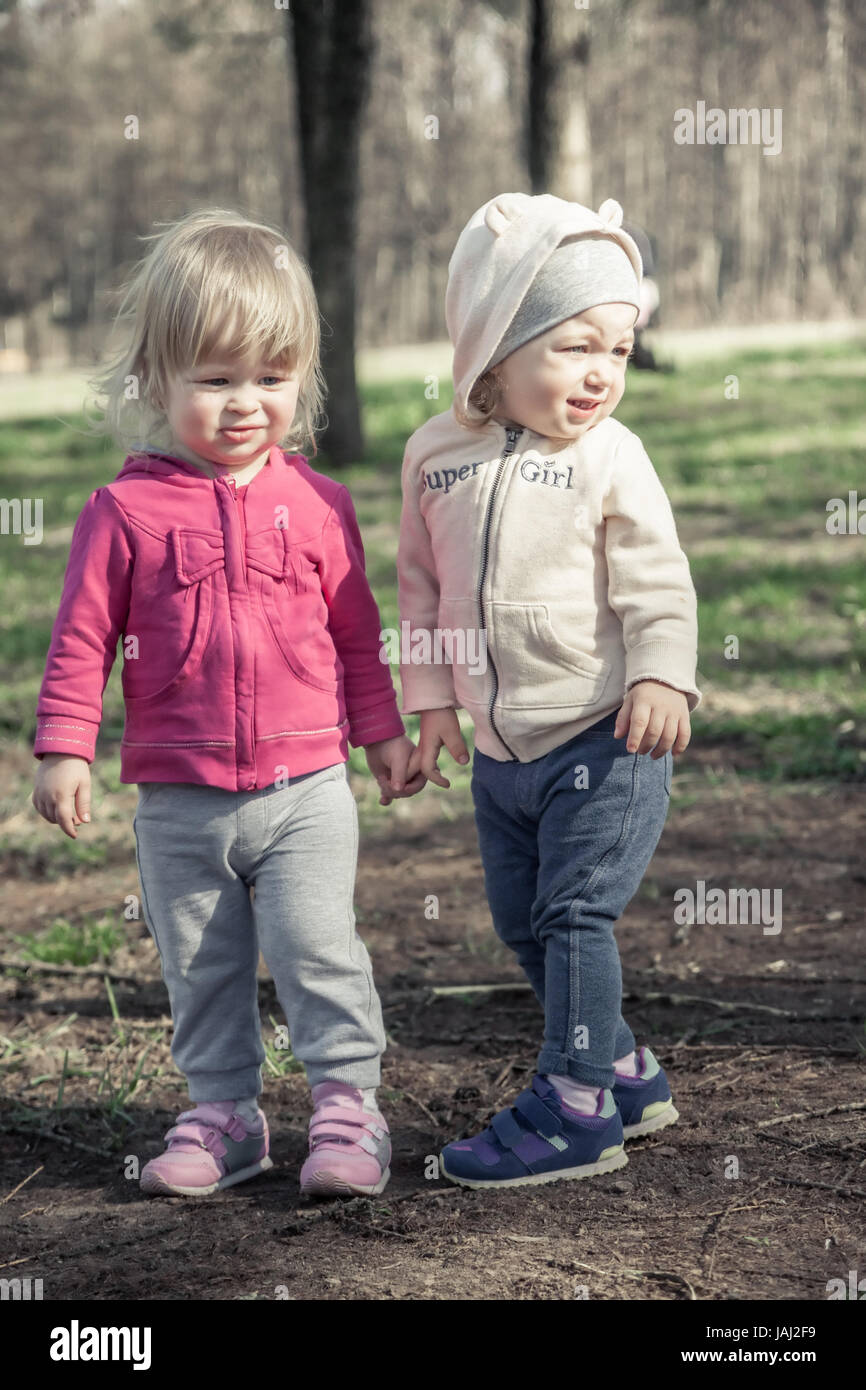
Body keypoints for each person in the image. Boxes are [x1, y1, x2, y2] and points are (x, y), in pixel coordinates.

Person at [31, 209, 424, 1200]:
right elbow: (81, 638)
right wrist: (64, 747)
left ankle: (345, 1106)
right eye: (215, 379)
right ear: (156, 381)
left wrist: (379, 732)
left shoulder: (321, 505)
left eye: (270, 377)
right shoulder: (123, 511)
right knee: (201, 967)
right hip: (177, 800)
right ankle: (224, 1114)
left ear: (302, 377)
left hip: (306, 790)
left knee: (315, 947)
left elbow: (352, 631)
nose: (246, 403)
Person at [396, 193, 701, 1189]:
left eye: (617, 349)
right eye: (574, 346)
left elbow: (656, 577)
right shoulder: (433, 458)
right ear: (495, 341)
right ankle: (623, 1071)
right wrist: (432, 696)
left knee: (575, 915)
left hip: (602, 739)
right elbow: (420, 585)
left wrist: (661, 673)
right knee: (525, 925)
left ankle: (573, 1106)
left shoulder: (611, 458)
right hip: (500, 754)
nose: (600, 373)